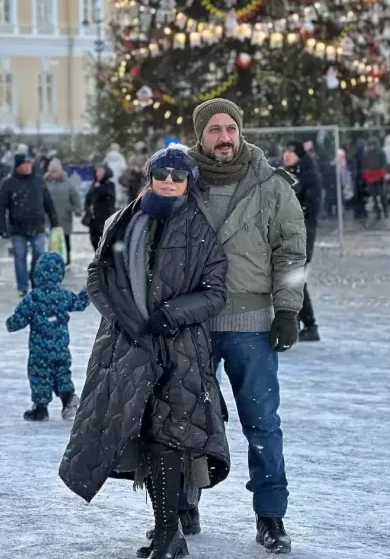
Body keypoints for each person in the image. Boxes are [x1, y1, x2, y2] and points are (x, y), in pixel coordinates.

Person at [59, 146, 230, 559]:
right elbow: (98, 276)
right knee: (139, 432)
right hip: (125, 345)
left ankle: (170, 532)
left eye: (177, 176)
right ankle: (165, 530)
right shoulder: (123, 221)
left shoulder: (200, 228)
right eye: (161, 174)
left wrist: (170, 315)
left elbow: (215, 292)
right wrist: (124, 317)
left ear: (189, 182)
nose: (168, 182)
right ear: (150, 176)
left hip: (178, 348)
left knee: (167, 434)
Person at [186, 99, 306, 554]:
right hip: (191, 325)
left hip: (251, 325)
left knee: (261, 423)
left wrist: (288, 311)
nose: (224, 137)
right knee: (184, 418)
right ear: (201, 135)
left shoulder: (270, 186)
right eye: (214, 129)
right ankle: (182, 502)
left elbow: (291, 253)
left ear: (241, 131)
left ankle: (271, 515)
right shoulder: (181, 181)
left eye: (230, 128)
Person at [6, 252, 89, 421]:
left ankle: (40, 408)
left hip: (39, 351)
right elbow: (80, 304)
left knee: (39, 376)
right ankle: (67, 399)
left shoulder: (33, 298)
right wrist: (89, 289)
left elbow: (17, 321)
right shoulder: (63, 296)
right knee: (62, 373)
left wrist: (10, 323)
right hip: (60, 348)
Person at [0, 154, 59, 297]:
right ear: (18, 166)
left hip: (38, 225)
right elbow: (0, 207)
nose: (28, 166)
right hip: (18, 228)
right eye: (25, 164)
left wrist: (55, 221)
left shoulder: (38, 181)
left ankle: (36, 282)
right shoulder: (8, 183)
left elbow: (48, 201)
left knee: (39, 255)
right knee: (19, 257)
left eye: (30, 164)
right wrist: (2, 227)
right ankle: (22, 287)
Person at [282, 141, 321, 342]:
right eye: (285, 150)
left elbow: (311, 207)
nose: (286, 154)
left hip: (301, 235)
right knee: (288, 280)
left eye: (290, 151)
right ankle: (295, 322)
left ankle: (310, 324)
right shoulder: (284, 175)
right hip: (284, 235)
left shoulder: (309, 176)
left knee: (294, 280)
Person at [45, 158, 82, 265]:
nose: (54, 174)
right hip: (50, 217)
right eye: (52, 171)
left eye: (56, 171)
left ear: (60, 171)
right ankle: (53, 260)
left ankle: (66, 260)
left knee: (65, 240)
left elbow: (75, 197)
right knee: (52, 241)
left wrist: (77, 209)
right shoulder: (46, 184)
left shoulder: (67, 184)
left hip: (65, 216)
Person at [83, 164, 116, 250]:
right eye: (97, 171)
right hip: (93, 218)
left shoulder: (109, 184)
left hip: (103, 217)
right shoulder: (94, 184)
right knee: (93, 238)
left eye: (101, 172)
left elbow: (106, 194)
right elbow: (88, 198)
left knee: (103, 239)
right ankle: (97, 254)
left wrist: (99, 186)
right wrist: (87, 208)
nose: (98, 173)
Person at [363, 137, 388, 219]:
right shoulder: (366, 154)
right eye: (369, 145)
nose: (371, 147)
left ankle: (385, 211)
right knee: (373, 196)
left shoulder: (380, 153)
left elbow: (384, 164)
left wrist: (383, 175)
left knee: (382, 195)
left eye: (372, 145)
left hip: (379, 175)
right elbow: (365, 166)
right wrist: (366, 176)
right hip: (370, 176)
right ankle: (378, 212)